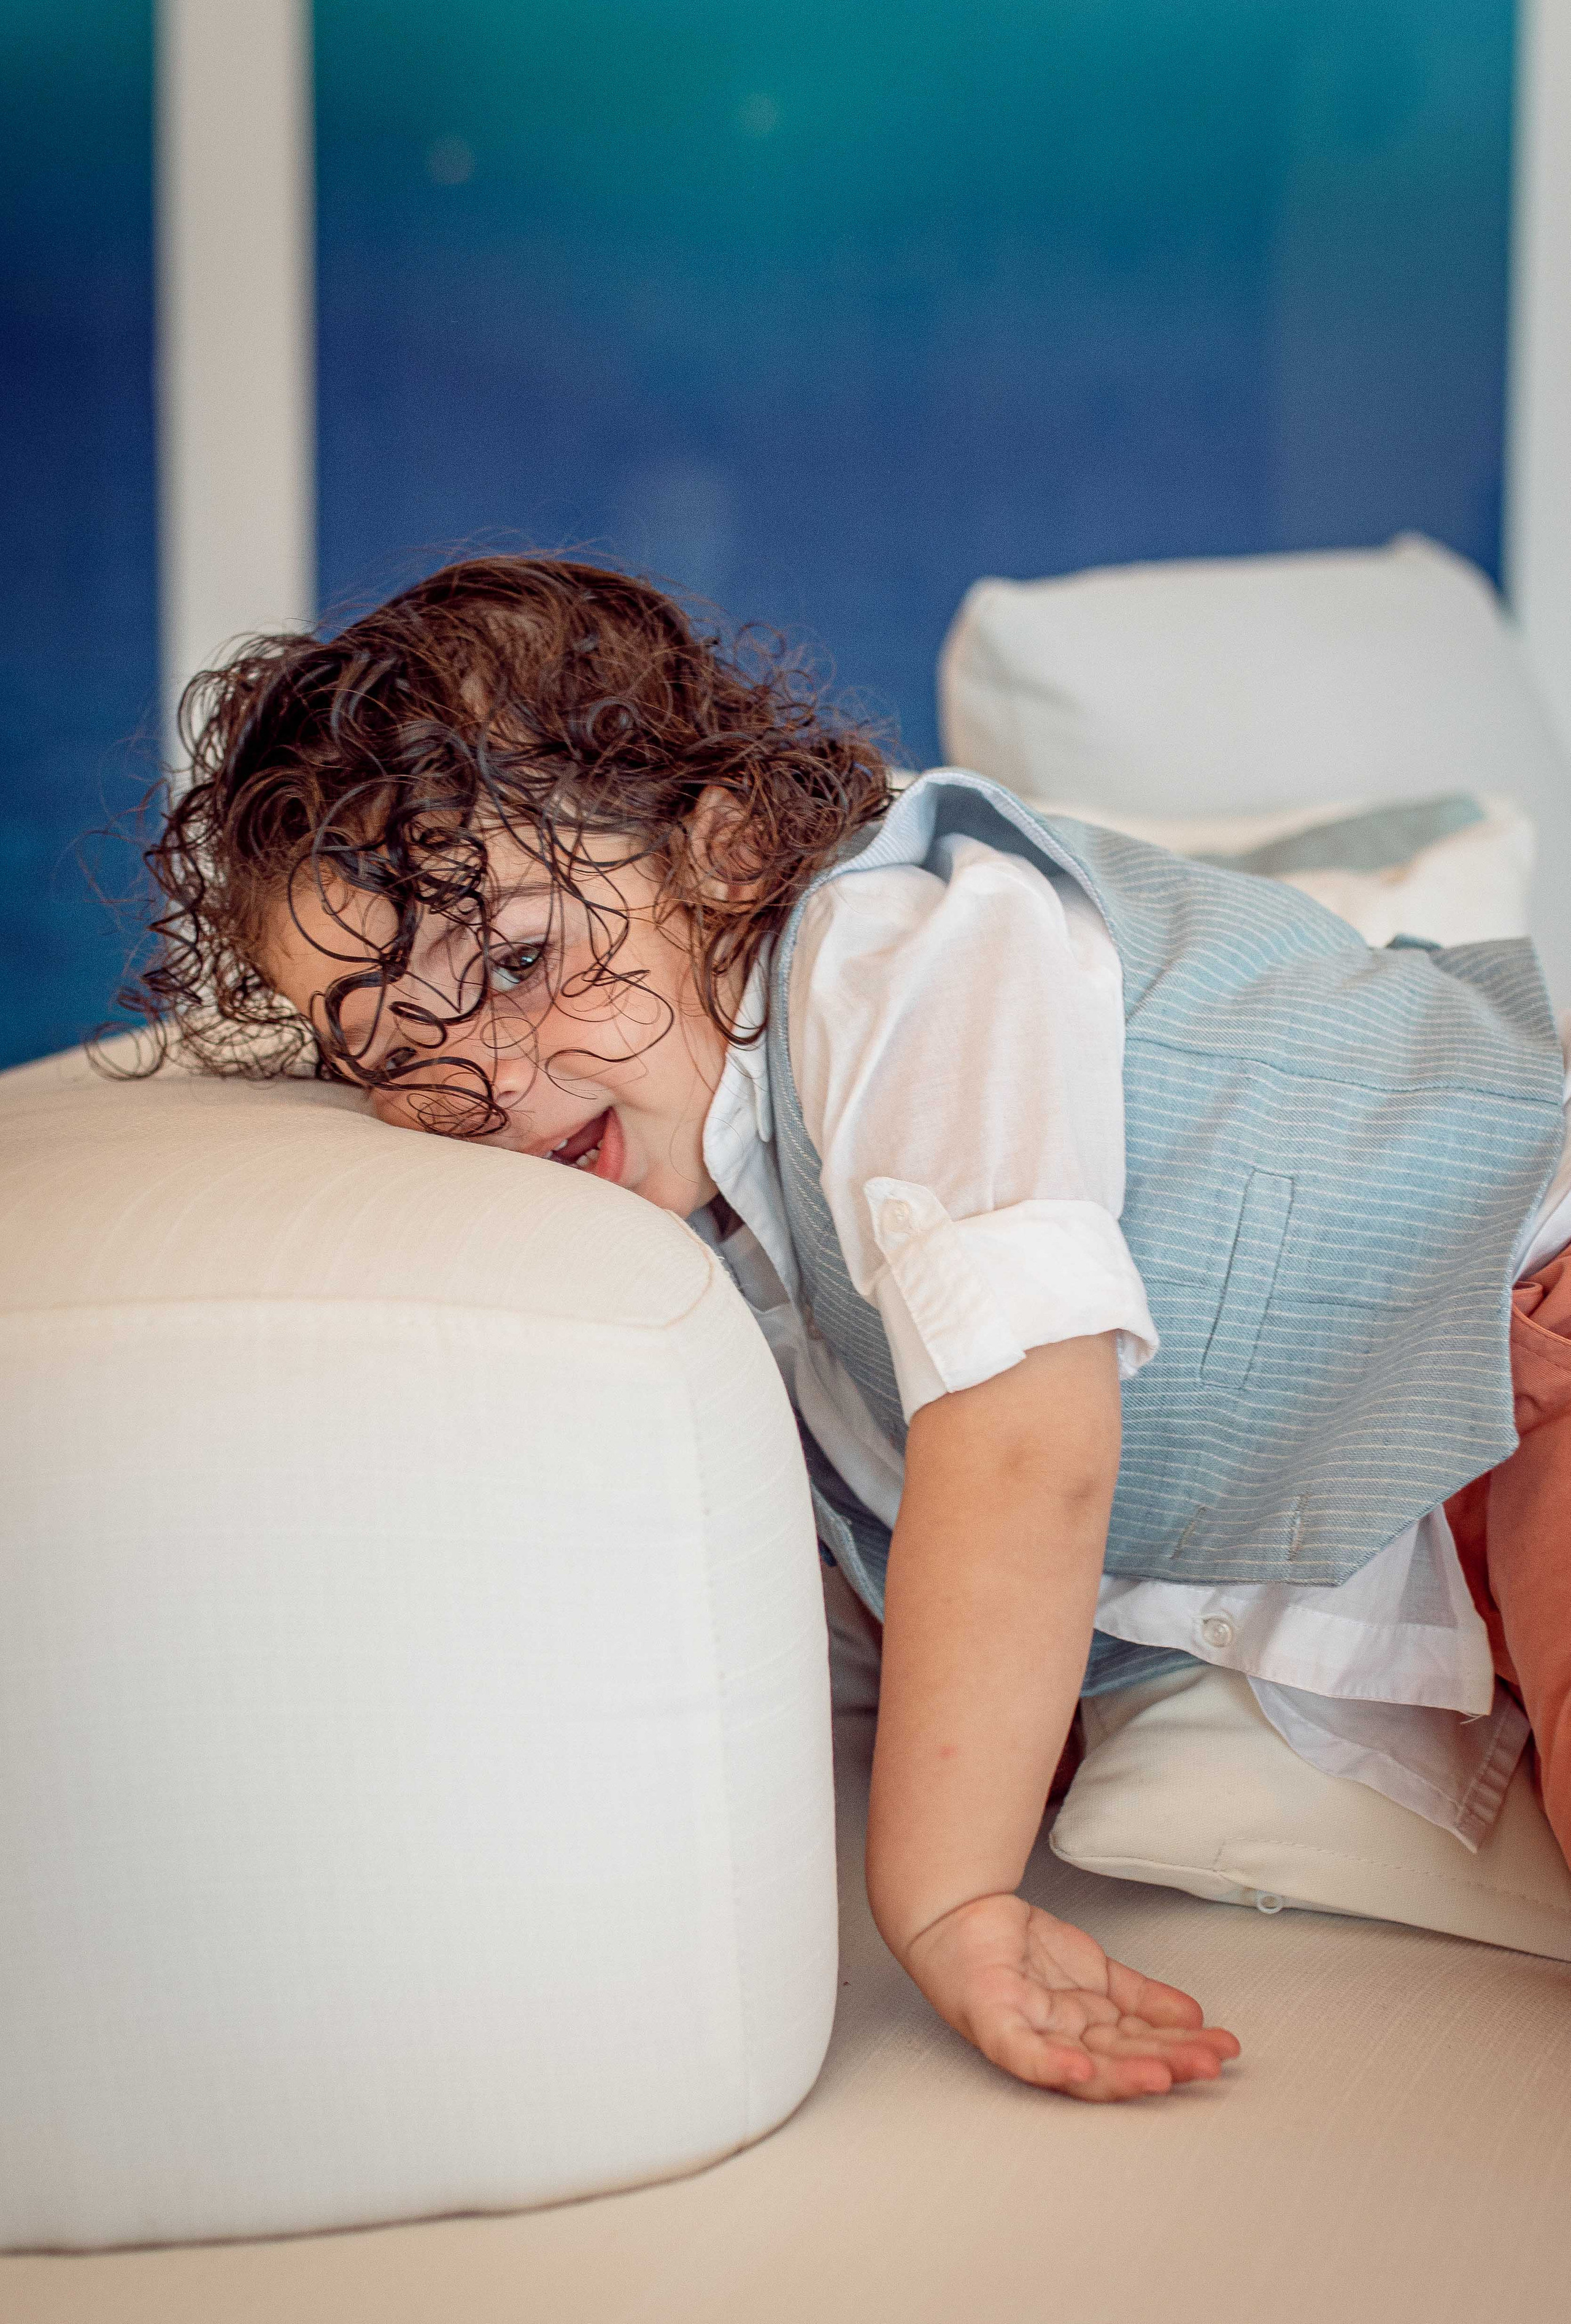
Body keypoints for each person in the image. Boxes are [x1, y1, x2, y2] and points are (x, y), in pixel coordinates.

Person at [122, 555, 1571, 2102]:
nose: (488, 1079)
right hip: (1419, 1480)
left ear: (726, 852)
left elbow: (1020, 1435)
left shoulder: (899, 952)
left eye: (523, 965)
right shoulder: (705, 1227)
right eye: (396, 1050)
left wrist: (944, 1893)